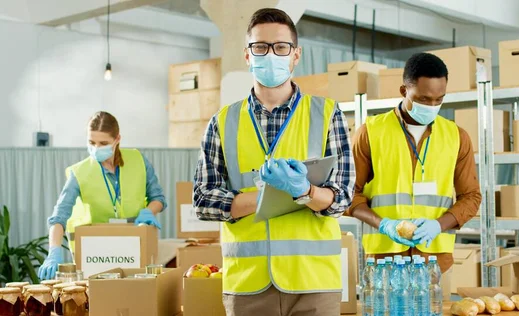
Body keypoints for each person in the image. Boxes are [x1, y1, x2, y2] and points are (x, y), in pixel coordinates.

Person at [193, 8, 355, 316]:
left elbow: (342, 196)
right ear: (247, 55)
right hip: (248, 285)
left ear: (296, 55)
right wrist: (269, 197)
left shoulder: (327, 113)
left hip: (314, 282)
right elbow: (203, 200)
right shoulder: (223, 121)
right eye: (261, 47)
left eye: (281, 47)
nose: (271, 55)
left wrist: (304, 189)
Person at [349, 52, 482, 296]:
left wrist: (437, 225)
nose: (432, 106)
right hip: (383, 266)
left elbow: (471, 197)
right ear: (403, 90)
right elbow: (349, 194)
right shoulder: (370, 132)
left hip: (436, 265)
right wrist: (385, 225)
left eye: (439, 99)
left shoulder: (456, 136)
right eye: (423, 99)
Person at [38, 111, 166, 280]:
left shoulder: (138, 160)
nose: (96, 148)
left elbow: (158, 198)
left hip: (134, 245)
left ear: (117, 139)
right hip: (96, 253)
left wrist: (149, 211)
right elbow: (59, 216)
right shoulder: (79, 172)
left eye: (103, 143)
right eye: (91, 142)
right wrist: (53, 251)